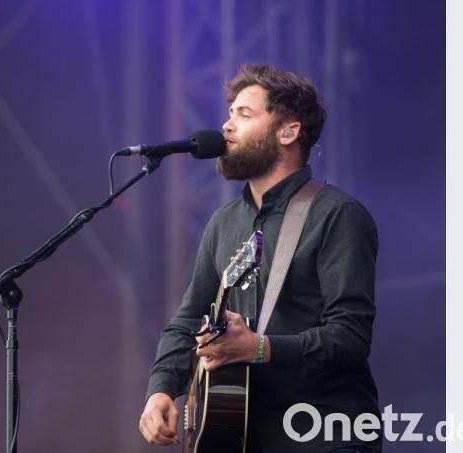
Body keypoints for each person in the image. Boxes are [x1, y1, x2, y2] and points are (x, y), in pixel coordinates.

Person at [138, 64, 381, 453]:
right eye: (230, 113)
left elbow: (350, 337)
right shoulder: (225, 222)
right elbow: (188, 319)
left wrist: (259, 348)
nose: (226, 125)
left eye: (244, 114)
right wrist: (162, 388)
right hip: (241, 437)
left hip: (323, 437)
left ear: (288, 132)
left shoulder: (336, 214)